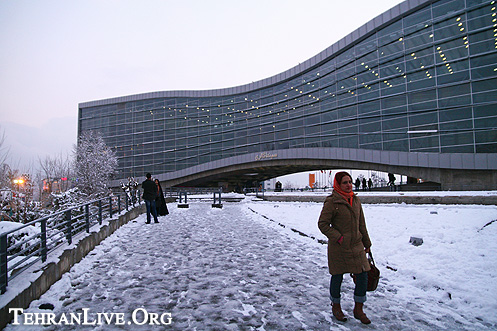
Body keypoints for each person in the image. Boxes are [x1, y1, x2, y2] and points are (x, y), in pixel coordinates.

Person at [318, 171, 372, 324]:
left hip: (356, 245)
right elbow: (322, 224)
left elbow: (362, 224)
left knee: (363, 276)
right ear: (338, 184)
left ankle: (358, 308)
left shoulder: (355, 200)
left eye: (350, 182)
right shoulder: (332, 202)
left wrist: (367, 244)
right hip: (339, 247)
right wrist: (338, 237)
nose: (348, 185)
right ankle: (336, 307)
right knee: (337, 277)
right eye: (345, 182)